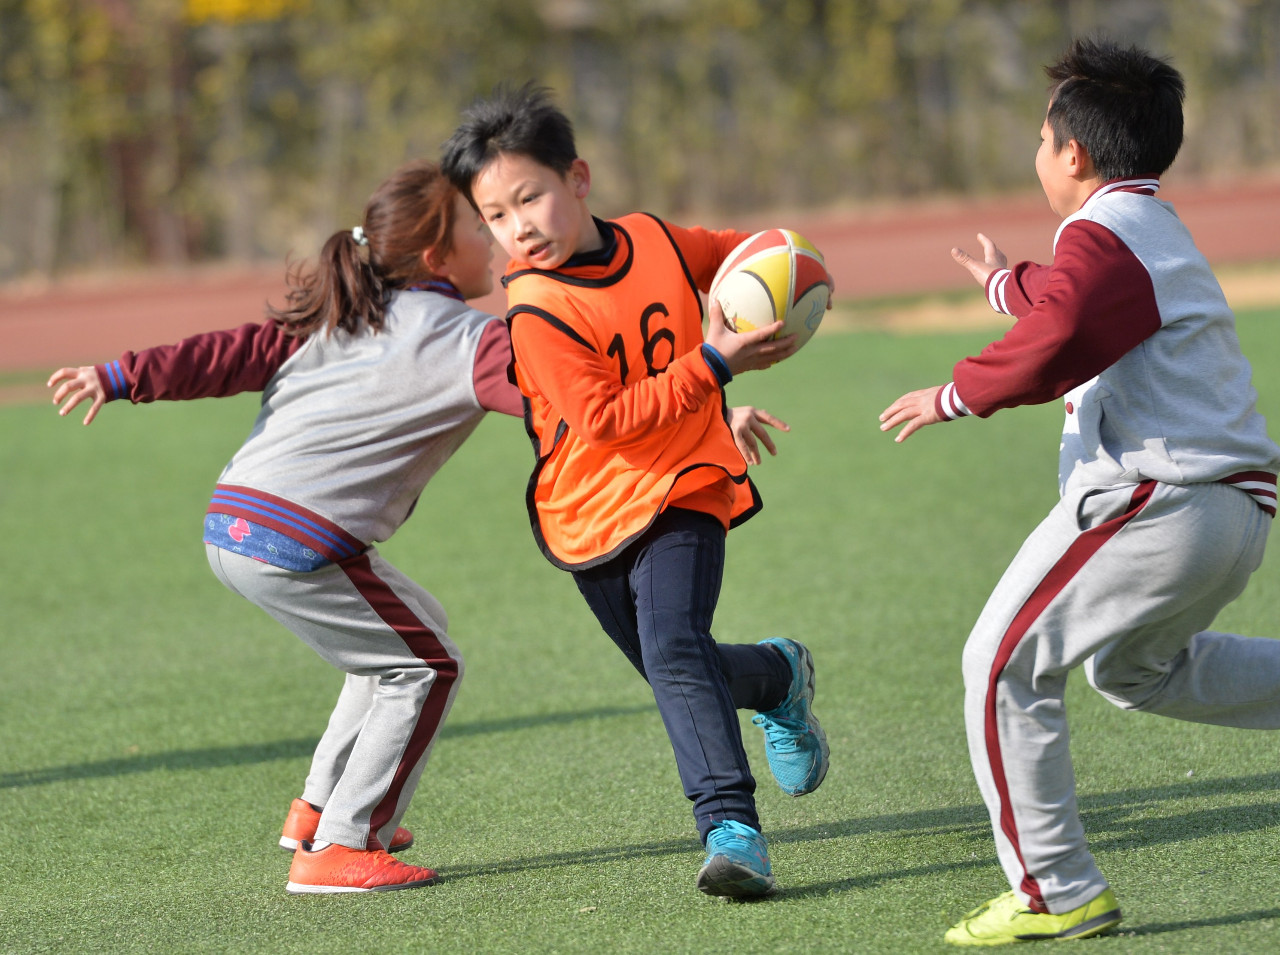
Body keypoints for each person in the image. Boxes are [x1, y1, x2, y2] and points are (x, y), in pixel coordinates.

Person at [880, 38, 1280, 945]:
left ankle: (1055, 889)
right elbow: (1079, 301)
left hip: (1160, 501)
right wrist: (1002, 283)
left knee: (999, 664)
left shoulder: (1103, 233)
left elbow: (1064, 328)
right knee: (1135, 671)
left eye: (1040, 137)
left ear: (1074, 153)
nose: (1037, 150)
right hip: (1232, 512)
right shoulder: (1147, 228)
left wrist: (956, 393)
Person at [48, 160, 527, 894]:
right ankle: (341, 844)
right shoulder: (472, 339)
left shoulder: (344, 311)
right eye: (478, 223)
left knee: (405, 638)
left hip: (232, 520)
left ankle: (316, 812)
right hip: (299, 540)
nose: (492, 238)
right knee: (426, 666)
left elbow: (229, 353)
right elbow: (569, 398)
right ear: (437, 255)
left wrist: (120, 375)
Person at [440, 84, 831, 898]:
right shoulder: (535, 309)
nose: (518, 226)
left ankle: (731, 831)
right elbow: (607, 419)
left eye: (530, 197)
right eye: (496, 216)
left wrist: (797, 275)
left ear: (578, 178)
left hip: (687, 476)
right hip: (589, 508)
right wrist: (713, 365)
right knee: (677, 669)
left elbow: (742, 255)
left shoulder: (654, 239)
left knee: (676, 650)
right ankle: (778, 675)